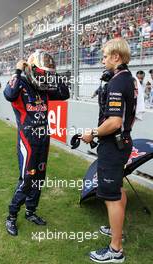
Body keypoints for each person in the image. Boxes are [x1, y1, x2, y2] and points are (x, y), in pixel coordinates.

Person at [81, 38, 136, 263]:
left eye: (105, 56)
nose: (102, 60)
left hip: (113, 146)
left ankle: (116, 250)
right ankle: (117, 232)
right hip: (120, 144)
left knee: (111, 196)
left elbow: (114, 122)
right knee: (117, 190)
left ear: (116, 57)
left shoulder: (117, 82)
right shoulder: (127, 79)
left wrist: (92, 133)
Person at [4, 50, 70, 236]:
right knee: (27, 180)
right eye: (43, 74)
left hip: (44, 139)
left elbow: (64, 93)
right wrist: (18, 70)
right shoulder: (21, 85)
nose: (45, 79)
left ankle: (30, 212)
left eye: (47, 75)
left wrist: (54, 76)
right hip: (28, 141)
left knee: (39, 180)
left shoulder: (45, 88)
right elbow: (9, 94)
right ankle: (11, 216)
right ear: (32, 70)